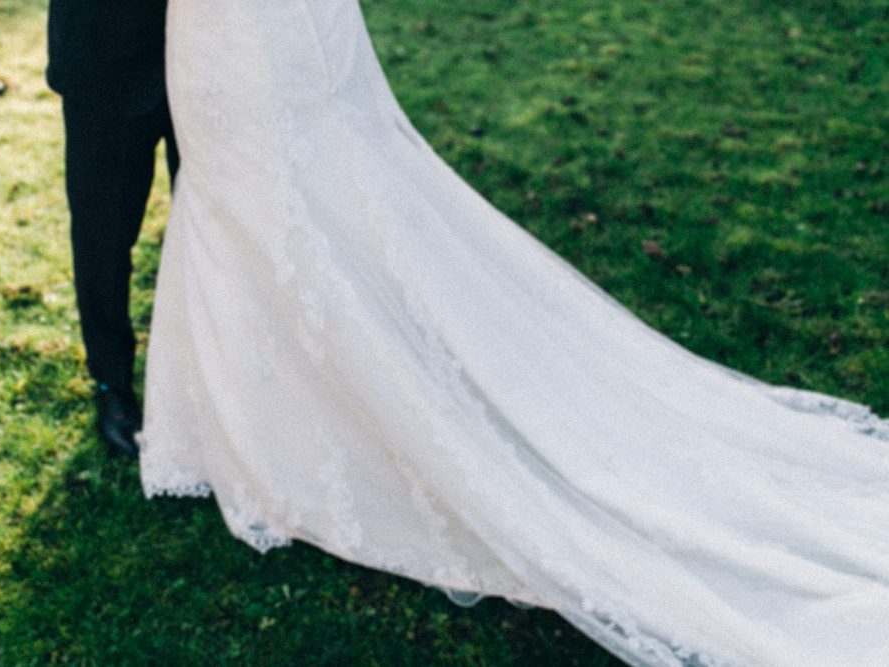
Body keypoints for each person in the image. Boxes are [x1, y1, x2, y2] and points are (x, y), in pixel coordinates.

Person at [137, 2, 889, 665]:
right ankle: (273, 422)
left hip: (250, 33)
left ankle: (301, 433)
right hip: (247, 32)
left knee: (281, 204)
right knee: (260, 202)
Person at [46, 0, 178, 459]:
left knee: (215, 226)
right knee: (102, 234)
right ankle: (112, 382)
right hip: (101, 52)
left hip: (209, 55)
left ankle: (215, 374)